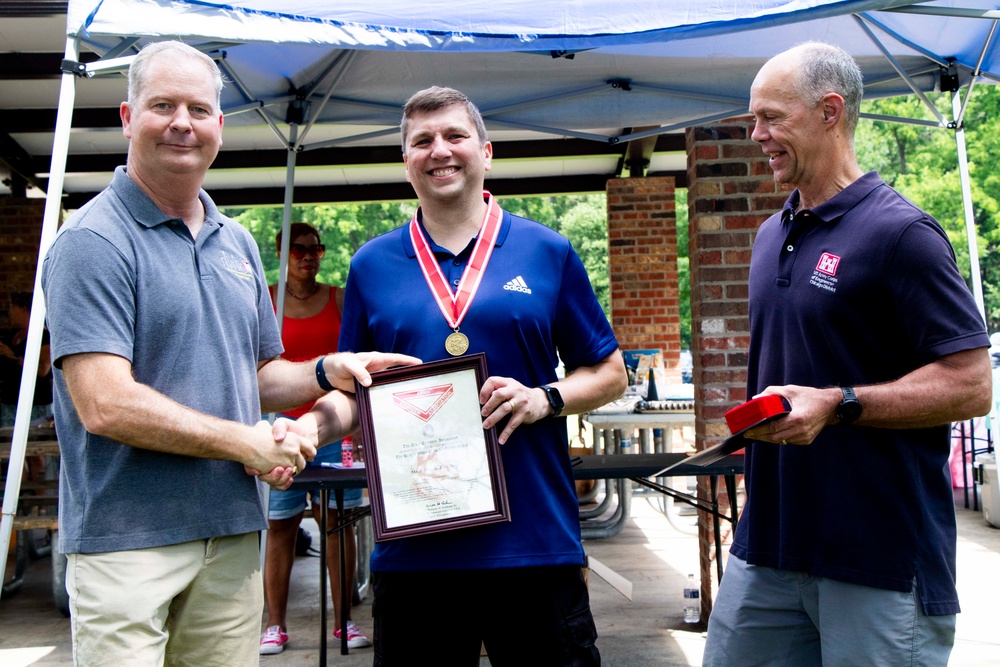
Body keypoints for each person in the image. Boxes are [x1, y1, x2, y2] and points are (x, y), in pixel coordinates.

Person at [40, 41, 414, 667]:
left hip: (233, 532)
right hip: (128, 545)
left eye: (198, 108)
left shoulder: (234, 239)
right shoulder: (92, 240)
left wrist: (329, 370)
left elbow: (259, 374)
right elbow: (105, 404)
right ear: (129, 117)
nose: (182, 123)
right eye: (163, 105)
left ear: (220, 125)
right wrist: (245, 444)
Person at [309, 85, 627, 666]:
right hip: (414, 550)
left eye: (454, 136)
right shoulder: (371, 265)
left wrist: (545, 398)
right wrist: (309, 429)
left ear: (485, 150)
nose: (440, 151)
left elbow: (609, 372)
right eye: (421, 141)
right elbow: (353, 390)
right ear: (405, 160)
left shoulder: (546, 250)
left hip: (533, 543)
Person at [702, 42, 993, 667]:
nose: (758, 135)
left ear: (830, 111)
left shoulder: (902, 234)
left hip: (878, 558)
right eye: (753, 120)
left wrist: (839, 404)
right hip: (770, 547)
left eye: (772, 118)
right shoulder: (769, 233)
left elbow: (972, 385)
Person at [259, 222, 370, 653]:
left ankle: (344, 621)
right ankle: (275, 624)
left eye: (315, 249)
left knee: (337, 525)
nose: (308, 255)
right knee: (280, 525)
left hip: (334, 426)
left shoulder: (338, 300)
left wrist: (358, 426)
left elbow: (357, 366)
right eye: (298, 249)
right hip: (279, 427)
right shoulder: (266, 302)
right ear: (281, 252)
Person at [0, 291, 52, 427]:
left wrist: (12, 355)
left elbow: (42, 370)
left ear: (24, 309)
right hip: (10, 402)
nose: (10, 312)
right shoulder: (14, 336)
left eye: (13, 307)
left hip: (34, 404)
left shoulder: (43, 337)